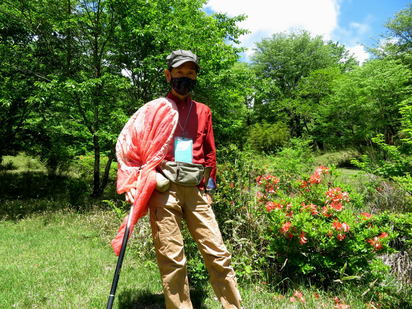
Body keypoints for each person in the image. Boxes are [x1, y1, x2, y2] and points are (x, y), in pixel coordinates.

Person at [126, 49, 243, 309]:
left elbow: (210, 153)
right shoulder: (155, 110)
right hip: (163, 188)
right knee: (172, 258)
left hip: (196, 190)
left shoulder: (203, 111)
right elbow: (135, 148)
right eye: (180, 72)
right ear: (168, 75)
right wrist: (132, 183)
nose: (185, 78)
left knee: (218, 254)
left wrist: (209, 186)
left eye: (191, 73)